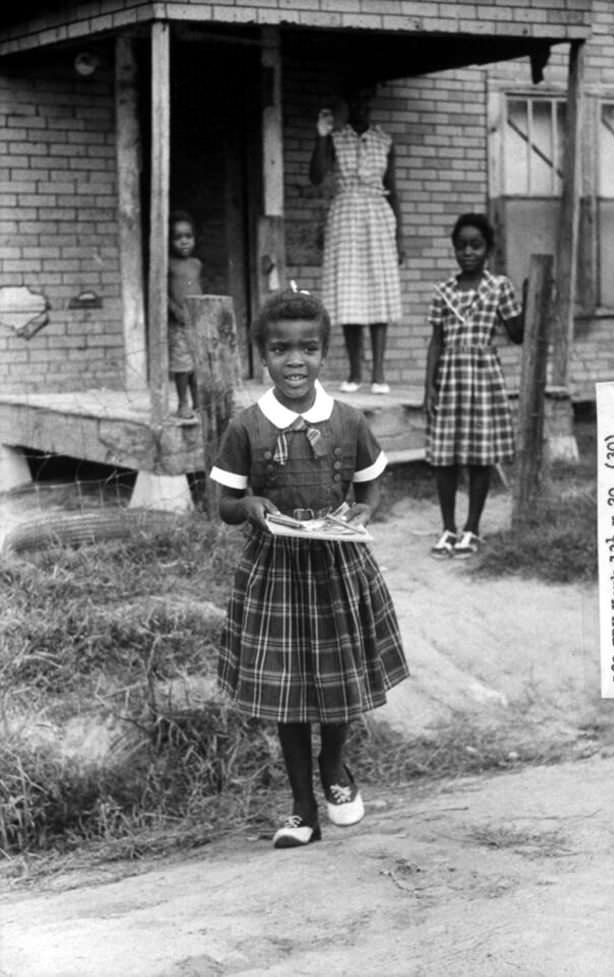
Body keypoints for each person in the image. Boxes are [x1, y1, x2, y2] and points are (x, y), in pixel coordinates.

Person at [210, 286, 409, 849]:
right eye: (280, 350)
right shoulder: (247, 426)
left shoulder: (347, 419)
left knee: (338, 682)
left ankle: (335, 769)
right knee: (289, 693)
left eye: (308, 349)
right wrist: (247, 507)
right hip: (276, 573)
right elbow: (222, 503)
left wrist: (364, 508)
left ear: (325, 354)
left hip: (337, 566)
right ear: (263, 356)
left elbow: (371, 477)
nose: (295, 361)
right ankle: (302, 809)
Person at [423, 213, 526, 559]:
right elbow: (436, 342)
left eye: (476, 245)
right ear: (454, 249)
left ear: (488, 249)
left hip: (483, 376)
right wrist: (429, 388)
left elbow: (518, 334)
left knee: (479, 456)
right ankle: (448, 528)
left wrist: (531, 296)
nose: (468, 251)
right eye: (462, 246)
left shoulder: (499, 287)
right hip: (450, 377)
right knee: (445, 457)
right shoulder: (444, 291)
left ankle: (472, 529)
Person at [309, 81, 404, 395]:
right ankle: (354, 373)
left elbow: (393, 191)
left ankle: (378, 374)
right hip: (346, 216)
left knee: (378, 292)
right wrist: (321, 136)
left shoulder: (384, 140)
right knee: (350, 294)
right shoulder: (337, 139)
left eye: (366, 99)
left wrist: (399, 237)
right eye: (355, 100)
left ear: (371, 101)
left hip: (377, 217)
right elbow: (317, 176)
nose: (361, 105)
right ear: (346, 104)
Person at [168, 210, 202, 420]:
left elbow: (198, 289)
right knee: (182, 365)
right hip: (178, 322)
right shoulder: (169, 264)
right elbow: (163, 293)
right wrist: (175, 310)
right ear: (170, 241)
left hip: (196, 321)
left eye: (188, 236)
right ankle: (183, 403)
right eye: (178, 237)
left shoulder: (196, 264)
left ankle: (199, 401)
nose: (184, 242)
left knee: (197, 363)